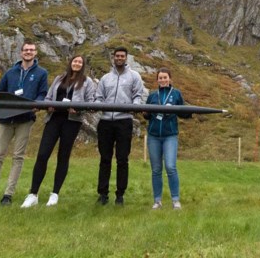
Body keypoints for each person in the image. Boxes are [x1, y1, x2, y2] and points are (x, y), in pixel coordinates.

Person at [20, 54, 96, 208]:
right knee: (42, 155)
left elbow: (91, 103)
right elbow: (48, 97)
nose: (77, 63)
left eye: (80, 62)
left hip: (72, 122)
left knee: (63, 156)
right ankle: (33, 194)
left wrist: (79, 109)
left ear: (83, 65)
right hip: (54, 119)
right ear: (70, 62)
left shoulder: (87, 82)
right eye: (75, 61)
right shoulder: (59, 78)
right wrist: (48, 105)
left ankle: (55, 194)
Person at [0, 42, 49, 206]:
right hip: (6, 119)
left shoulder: (41, 73)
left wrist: (37, 105)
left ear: (35, 53)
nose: (28, 52)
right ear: (21, 53)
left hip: (25, 119)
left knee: (18, 157)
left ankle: (8, 195)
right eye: (26, 50)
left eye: (31, 50)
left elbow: (42, 94)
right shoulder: (10, 72)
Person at [94, 46, 145, 205]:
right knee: (105, 159)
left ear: (126, 58)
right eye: (117, 56)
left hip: (124, 122)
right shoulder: (105, 78)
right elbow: (98, 97)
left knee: (122, 159)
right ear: (113, 58)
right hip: (106, 122)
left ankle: (120, 195)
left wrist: (134, 106)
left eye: (122, 56)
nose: (120, 58)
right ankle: (103, 194)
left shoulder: (134, 76)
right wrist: (99, 105)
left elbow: (138, 95)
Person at [144, 67, 192, 210]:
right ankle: (157, 201)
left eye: (165, 77)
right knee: (156, 169)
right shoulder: (152, 96)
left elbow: (182, 112)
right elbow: (147, 115)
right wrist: (145, 113)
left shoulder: (176, 94)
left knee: (170, 167)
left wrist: (190, 113)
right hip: (153, 136)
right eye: (160, 78)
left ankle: (175, 200)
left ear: (170, 79)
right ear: (157, 80)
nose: (163, 80)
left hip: (170, 136)